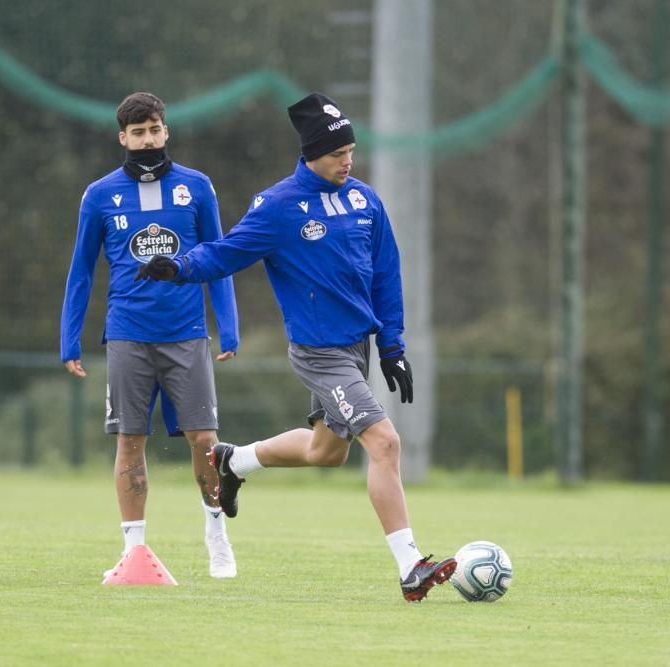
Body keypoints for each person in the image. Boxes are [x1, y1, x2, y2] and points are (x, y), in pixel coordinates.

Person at [135, 92, 456, 601]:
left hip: (356, 349)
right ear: (310, 155)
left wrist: (391, 346)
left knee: (326, 451)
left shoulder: (364, 200)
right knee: (385, 443)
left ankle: (233, 461)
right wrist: (180, 267)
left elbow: (387, 275)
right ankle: (410, 567)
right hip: (319, 353)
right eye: (337, 154)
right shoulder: (279, 206)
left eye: (351, 150)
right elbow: (226, 252)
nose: (347, 161)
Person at [61, 92, 240, 579]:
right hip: (127, 335)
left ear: (166, 132)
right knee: (130, 442)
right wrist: (69, 338)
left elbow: (219, 260)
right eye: (137, 132)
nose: (147, 139)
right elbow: (81, 271)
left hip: (186, 334)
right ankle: (134, 549)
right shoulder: (99, 195)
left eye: (154, 129)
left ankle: (216, 533)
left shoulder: (196, 188)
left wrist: (229, 325)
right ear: (123, 137)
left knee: (204, 439)